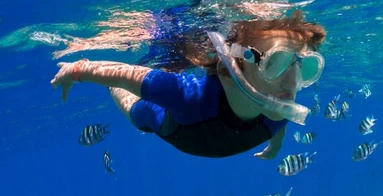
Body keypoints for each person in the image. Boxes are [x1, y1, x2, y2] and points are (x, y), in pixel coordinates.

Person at [50, 10, 326, 159]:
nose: (293, 82)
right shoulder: (186, 96)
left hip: (207, 137)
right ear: (229, 70)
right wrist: (75, 69)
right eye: (277, 63)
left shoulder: (278, 100)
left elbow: (280, 122)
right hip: (180, 128)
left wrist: (275, 148)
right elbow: (127, 74)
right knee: (135, 111)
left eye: (305, 67)